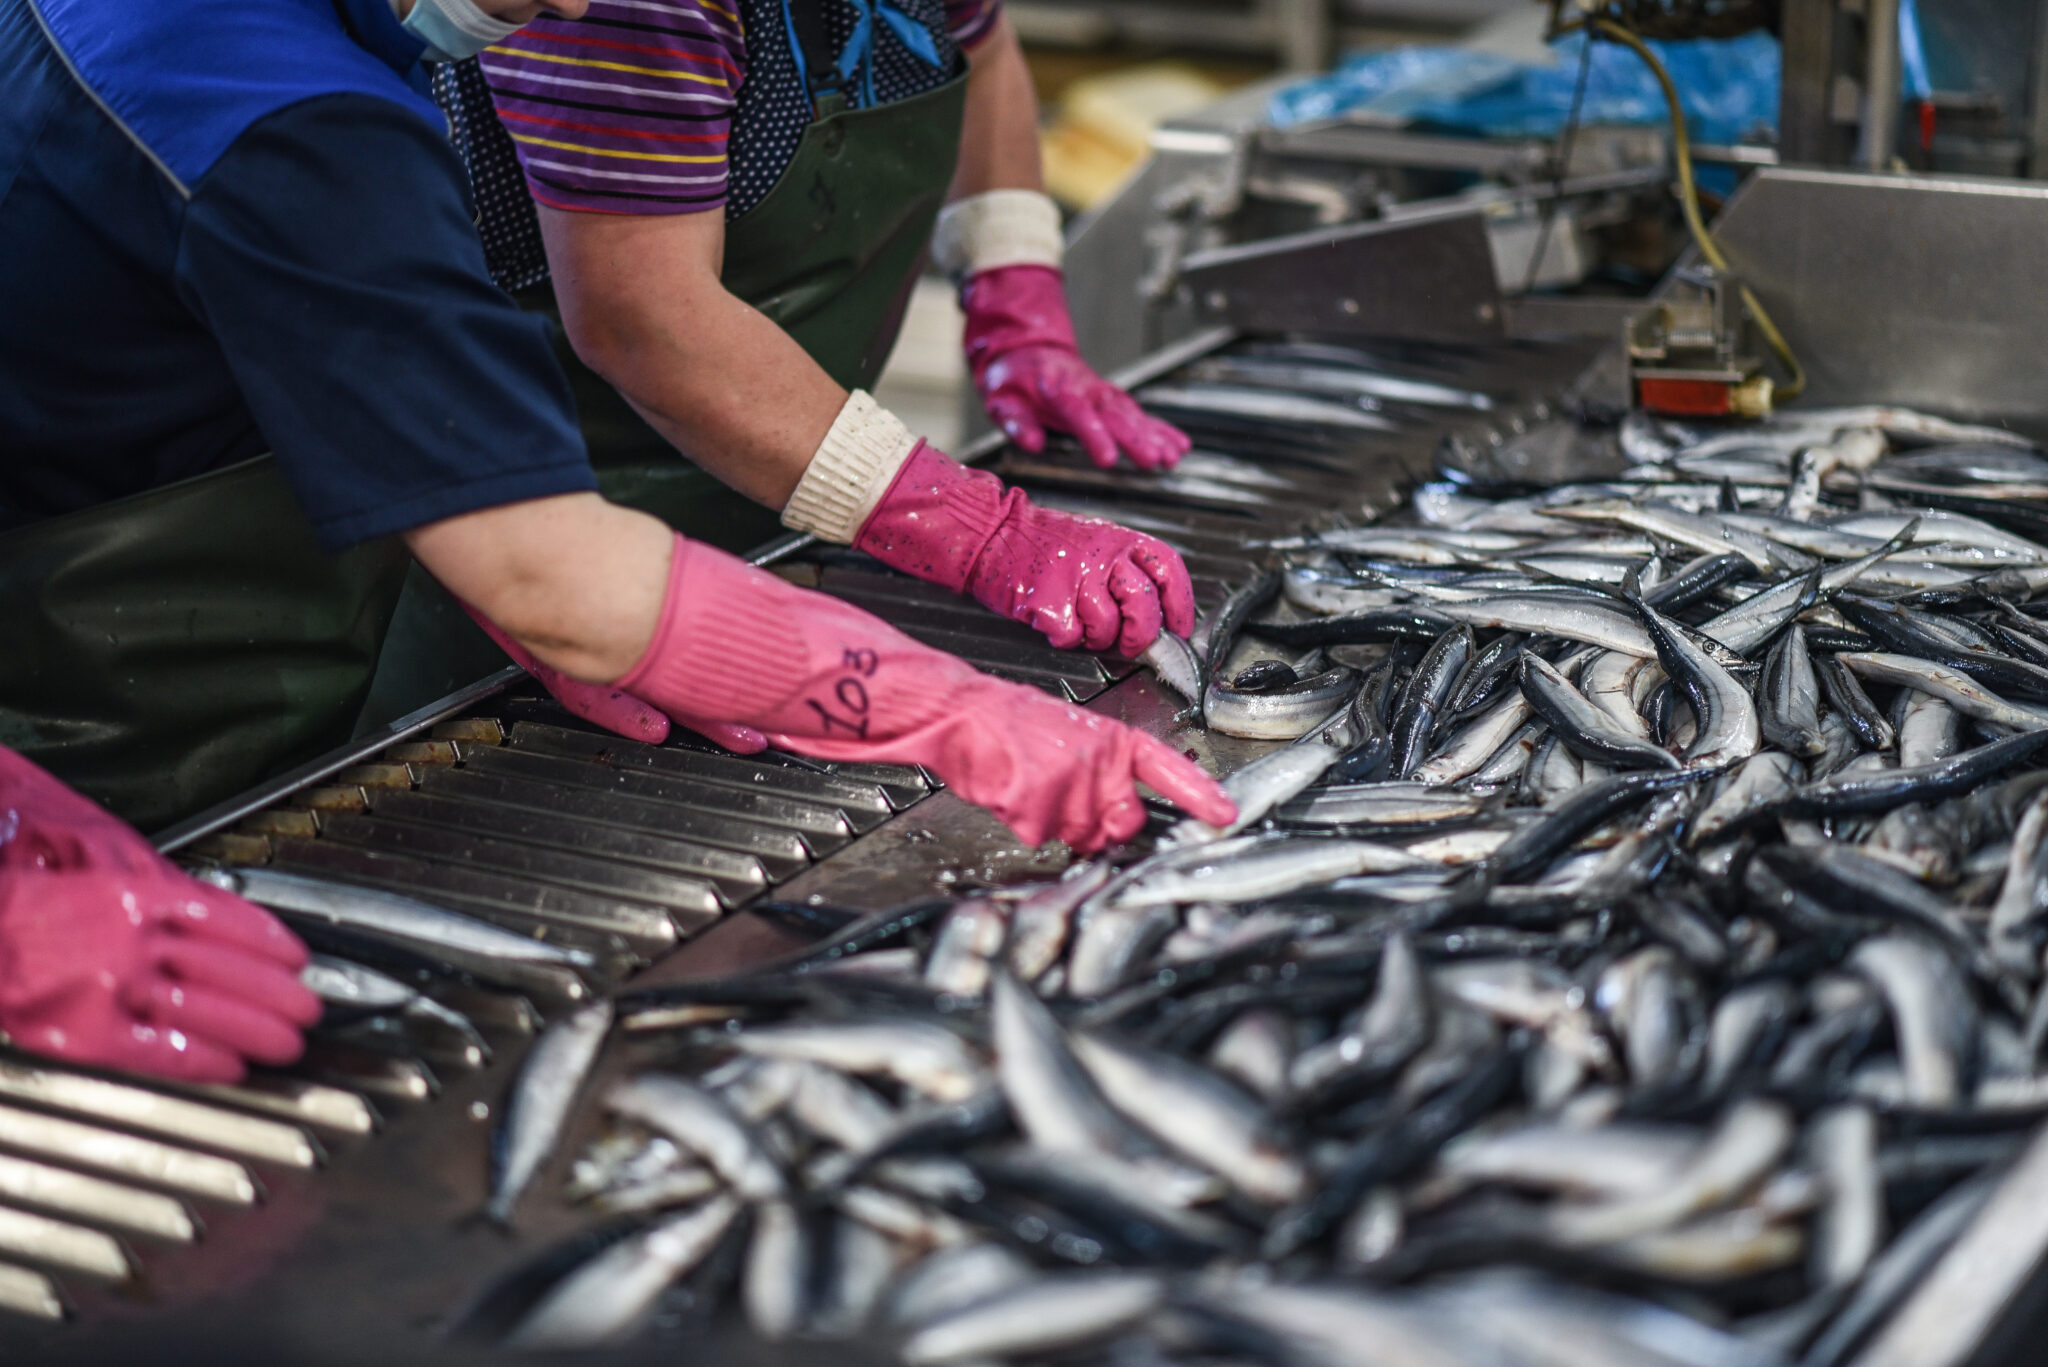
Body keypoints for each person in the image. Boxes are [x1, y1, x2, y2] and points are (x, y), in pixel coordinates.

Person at [0, 0, 1234, 1083]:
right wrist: (954, 708)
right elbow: (558, 544)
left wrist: (453, 484)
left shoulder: (312, 68)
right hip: (90, 639)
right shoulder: (296, 125)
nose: (576, 11)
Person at [442, 0, 1196, 657]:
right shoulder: (628, 8)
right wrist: (979, 531)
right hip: (542, 528)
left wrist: (1016, 293)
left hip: (783, 522)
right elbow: (643, 320)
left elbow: (983, 49)